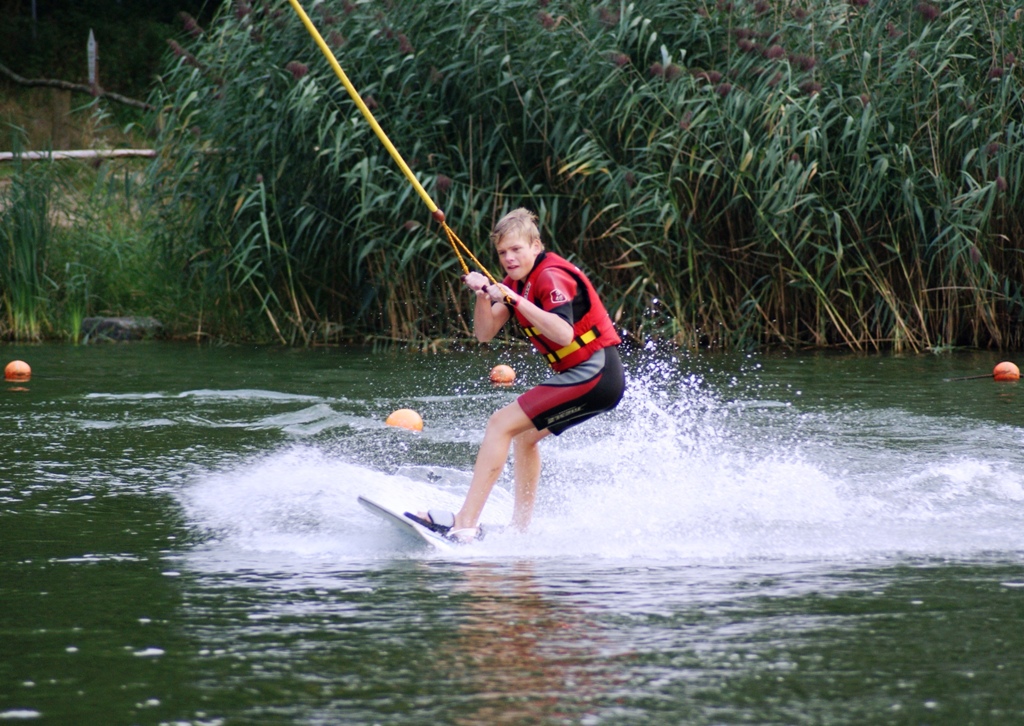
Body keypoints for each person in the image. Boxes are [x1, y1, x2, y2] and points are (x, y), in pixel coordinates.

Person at [412, 208, 625, 541]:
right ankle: (521, 531)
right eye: (502, 253)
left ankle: (465, 522)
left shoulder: (550, 276)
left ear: (535, 246)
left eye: (516, 249)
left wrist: (511, 297)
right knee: (525, 436)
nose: (509, 258)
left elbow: (563, 334)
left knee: (500, 423)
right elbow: (484, 333)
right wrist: (483, 296)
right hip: (588, 377)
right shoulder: (515, 283)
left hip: (597, 373)